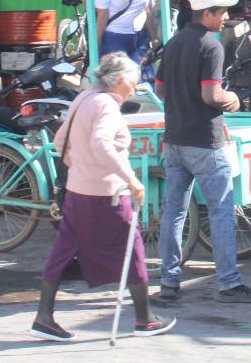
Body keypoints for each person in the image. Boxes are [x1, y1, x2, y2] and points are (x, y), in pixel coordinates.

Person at [32, 52, 177, 341]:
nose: (135, 86)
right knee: (131, 249)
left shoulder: (84, 97)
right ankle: (144, 318)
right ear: (121, 79)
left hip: (78, 189)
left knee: (63, 250)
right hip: (107, 194)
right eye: (133, 80)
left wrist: (81, 166)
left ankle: (43, 316)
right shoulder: (106, 106)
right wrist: (132, 179)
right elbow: (102, 144)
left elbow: (60, 141)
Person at [156, 0, 251, 304]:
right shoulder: (212, 46)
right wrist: (232, 99)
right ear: (207, 14)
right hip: (205, 141)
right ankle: (230, 283)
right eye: (221, 11)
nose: (226, 16)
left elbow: (161, 89)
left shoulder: (174, 43)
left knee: (174, 213)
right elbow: (212, 95)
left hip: (174, 139)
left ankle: (169, 281)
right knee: (220, 211)